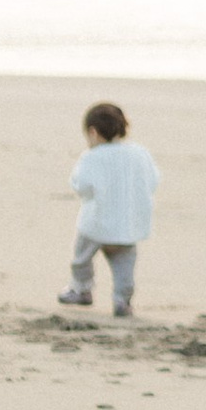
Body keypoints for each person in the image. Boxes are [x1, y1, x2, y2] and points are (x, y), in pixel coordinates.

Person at [59, 100, 159, 319]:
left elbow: (81, 186)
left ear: (93, 133)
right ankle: (122, 300)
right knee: (124, 266)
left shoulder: (92, 157)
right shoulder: (140, 153)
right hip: (128, 226)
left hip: (96, 224)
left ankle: (81, 289)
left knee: (81, 258)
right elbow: (153, 181)